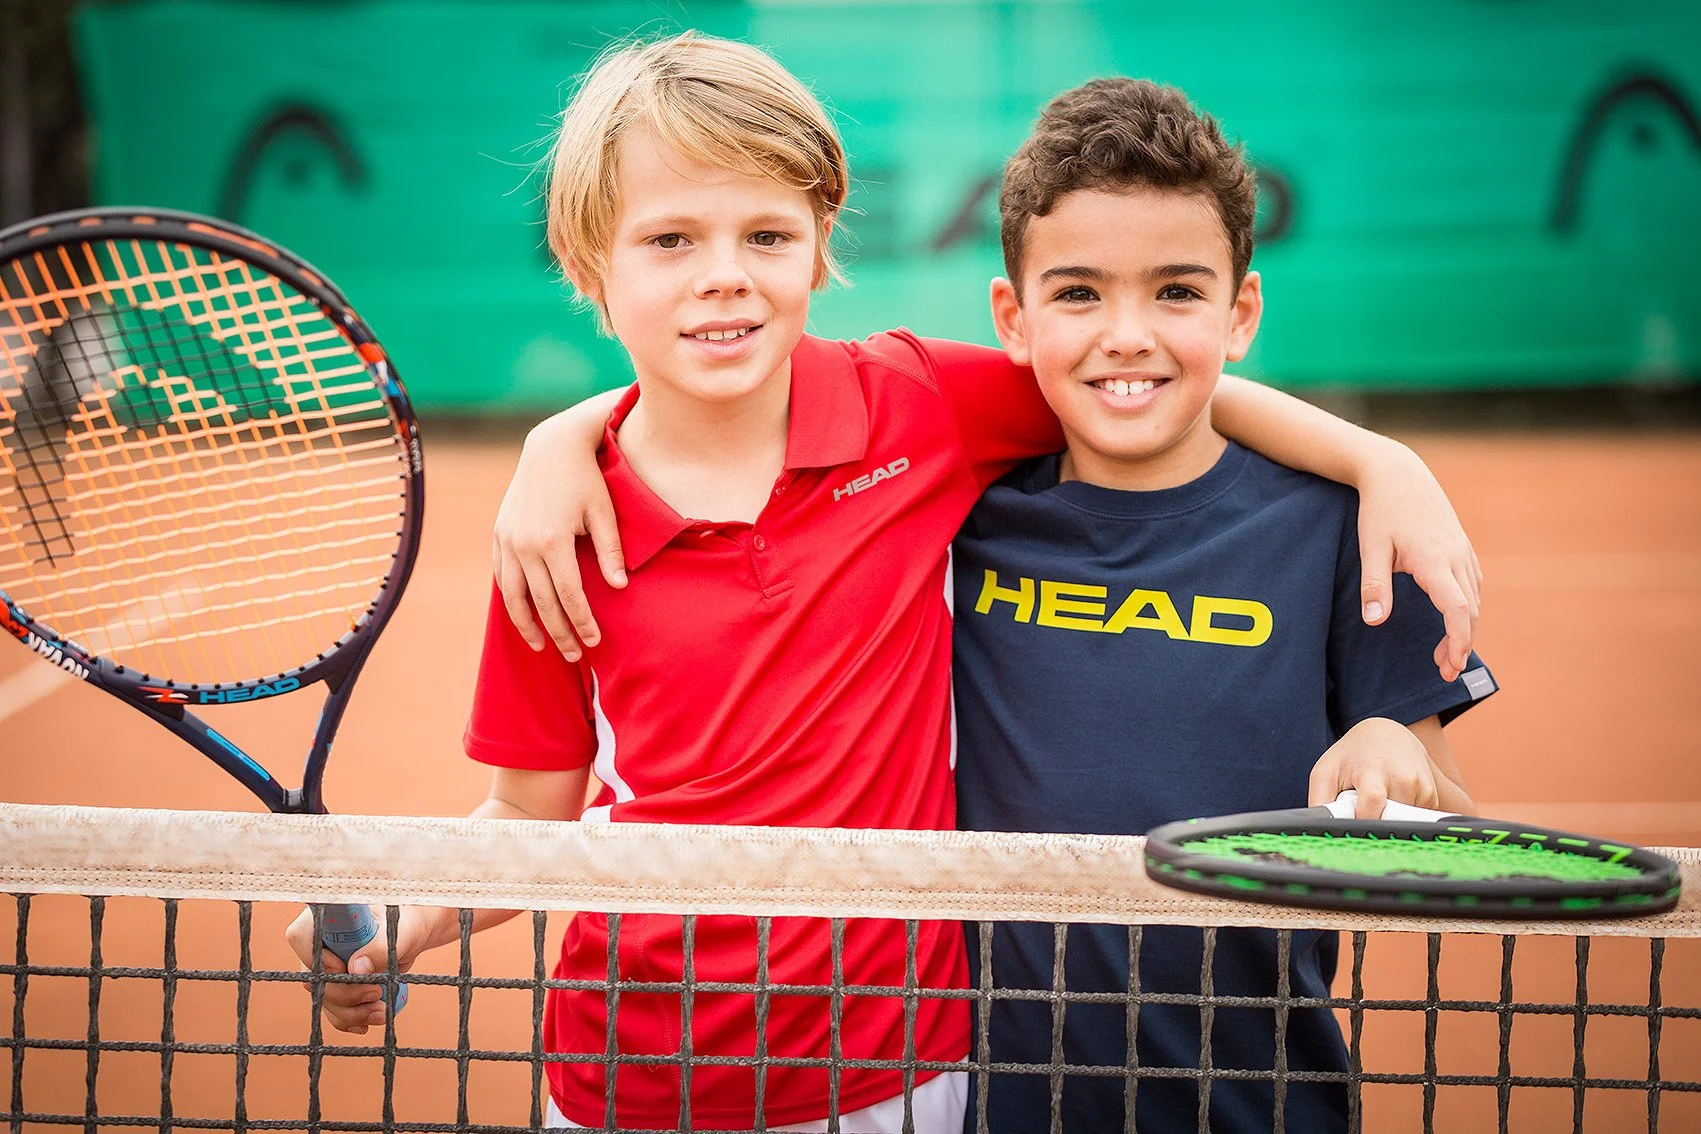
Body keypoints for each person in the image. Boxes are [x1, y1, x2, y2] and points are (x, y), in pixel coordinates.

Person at [291, 33, 1483, 1133]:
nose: (725, 277)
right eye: (670, 241)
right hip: (626, 1078)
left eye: (766, 236)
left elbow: (1130, 371)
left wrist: (1380, 456)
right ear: (586, 263)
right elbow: (523, 818)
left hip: (902, 1077)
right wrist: (410, 917)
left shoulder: (917, 409)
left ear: (821, 245)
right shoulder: (554, 537)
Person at [950, 77, 1496, 1130]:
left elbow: (1448, 815)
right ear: (1011, 319)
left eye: (1176, 292)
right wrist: (565, 444)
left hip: (1261, 1104)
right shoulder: (961, 518)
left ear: (1239, 312)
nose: (1126, 335)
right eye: (1077, 294)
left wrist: (1390, 750)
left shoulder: (1346, 527)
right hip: (1002, 1108)